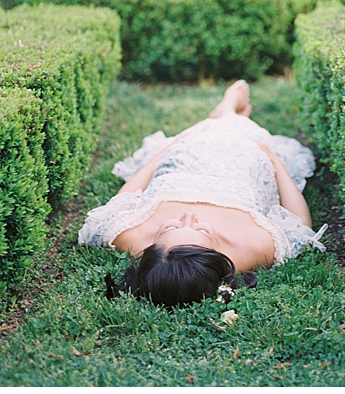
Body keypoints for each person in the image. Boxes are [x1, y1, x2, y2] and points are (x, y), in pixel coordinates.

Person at [79, 80, 327, 308]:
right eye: (202, 231)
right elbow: (301, 224)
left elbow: (126, 194)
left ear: (150, 250)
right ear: (218, 258)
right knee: (239, 130)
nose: (188, 216)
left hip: (186, 157)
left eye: (168, 229)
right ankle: (228, 115)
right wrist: (273, 157)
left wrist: (165, 150)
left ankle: (223, 115)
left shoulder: (127, 236)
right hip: (242, 158)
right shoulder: (254, 247)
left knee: (203, 132)